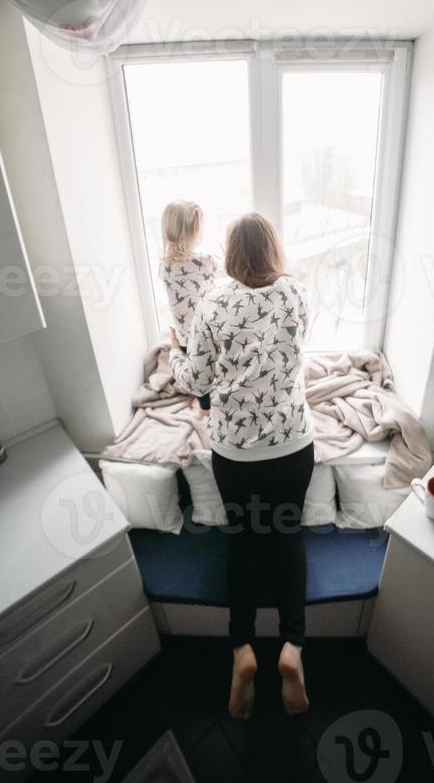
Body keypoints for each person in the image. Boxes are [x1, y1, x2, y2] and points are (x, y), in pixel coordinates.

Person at [169, 213, 313, 719]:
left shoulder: (212, 304)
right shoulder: (297, 294)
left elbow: (195, 379)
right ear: (273, 250)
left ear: (229, 254)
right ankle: (293, 647)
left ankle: (242, 650)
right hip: (292, 446)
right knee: (287, 535)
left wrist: (174, 354)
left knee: (245, 540)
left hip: (237, 454)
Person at [160, 200, 218, 411]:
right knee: (213, 364)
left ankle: (203, 405)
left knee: (196, 369)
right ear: (196, 230)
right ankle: (216, 398)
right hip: (209, 330)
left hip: (184, 334)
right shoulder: (206, 260)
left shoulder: (164, 266)